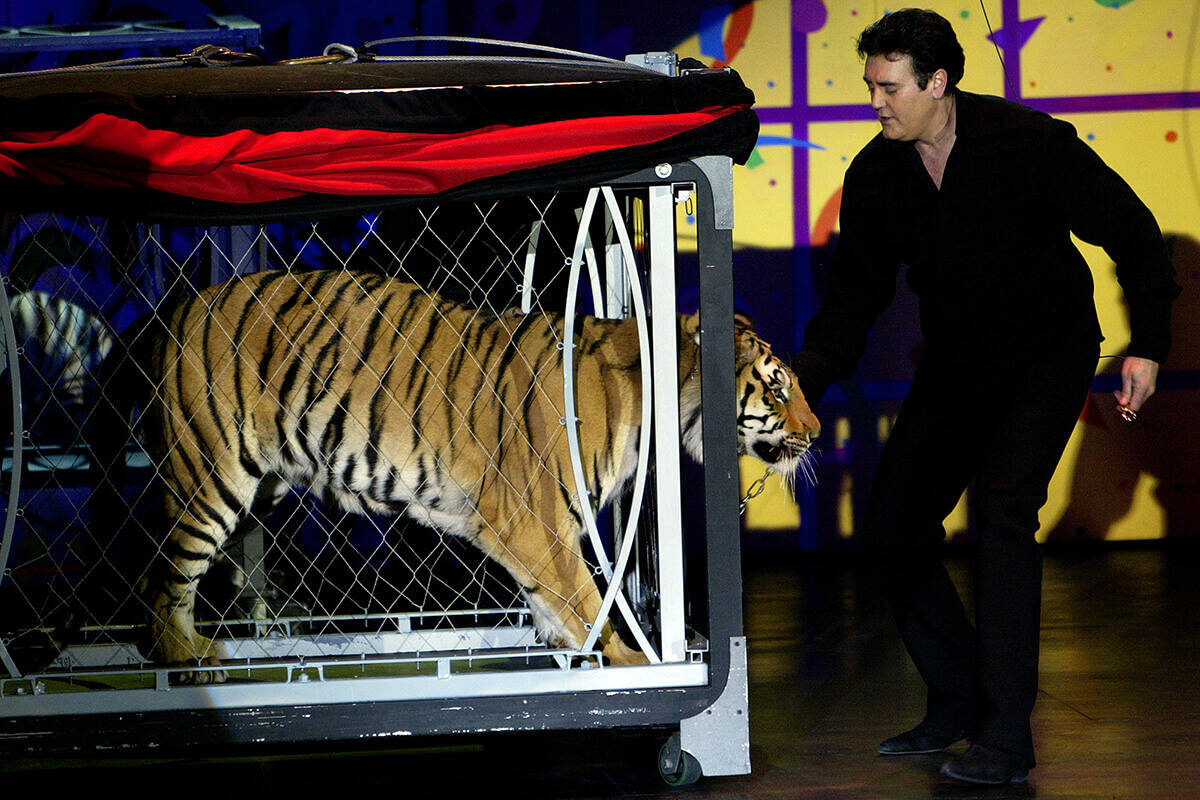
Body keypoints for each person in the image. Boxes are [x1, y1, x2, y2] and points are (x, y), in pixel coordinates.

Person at [789, 8, 1181, 786]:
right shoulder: (876, 177)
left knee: (1005, 511)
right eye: (870, 87)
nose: (876, 103)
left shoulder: (1028, 142)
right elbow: (850, 305)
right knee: (896, 525)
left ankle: (1006, 737)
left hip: (1046, 354)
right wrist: (797, 392)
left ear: (938, 82)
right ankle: (959, 697)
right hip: (961, 363)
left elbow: (1133, 230)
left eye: (890, 88)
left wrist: (1150, 344)